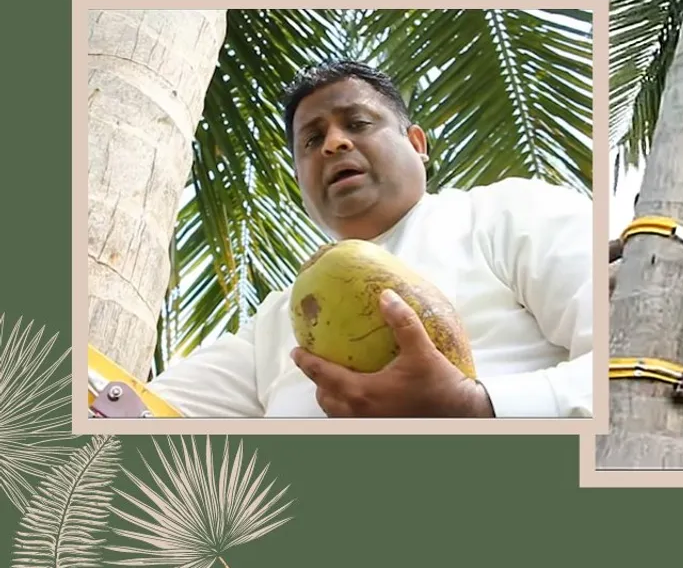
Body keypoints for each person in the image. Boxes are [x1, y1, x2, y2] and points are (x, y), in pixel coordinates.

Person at [146, 60, 594, 418]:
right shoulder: (276, 321)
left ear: (417, 143)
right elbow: (140, 414)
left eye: (358, 123)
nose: (333, 144)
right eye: (311, 140)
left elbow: (634, 363)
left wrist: (474, 407)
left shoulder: (509, 213)